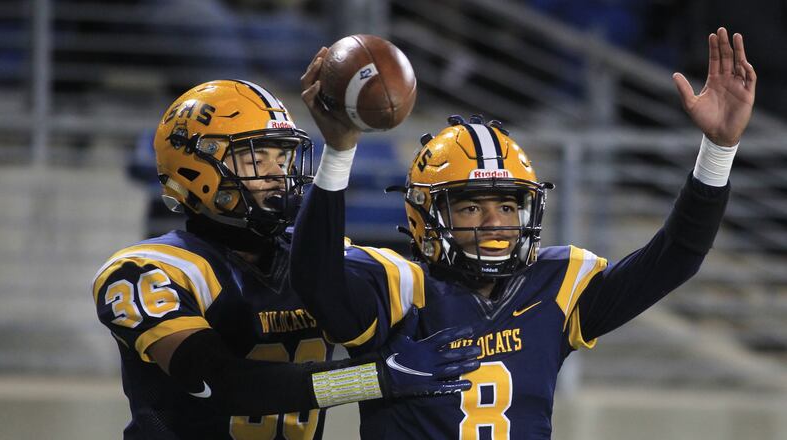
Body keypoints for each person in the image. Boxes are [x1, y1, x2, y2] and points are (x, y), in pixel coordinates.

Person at [291, 27, 755, 438]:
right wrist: (338, 152)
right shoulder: (399, 290)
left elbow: (677, 256)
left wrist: (718, 149)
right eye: (472, 206)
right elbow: (316, 283)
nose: (495, 222)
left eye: (509, 205)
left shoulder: (555, 288)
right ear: (425, 216)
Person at [91, 79, 480, 439]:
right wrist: (374, 378)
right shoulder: (147, 270)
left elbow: (453, 296)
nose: (280, 173)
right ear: (195, 166)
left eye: (284, 156)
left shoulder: (326, 260)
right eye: (256, 156)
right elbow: (221, 383)